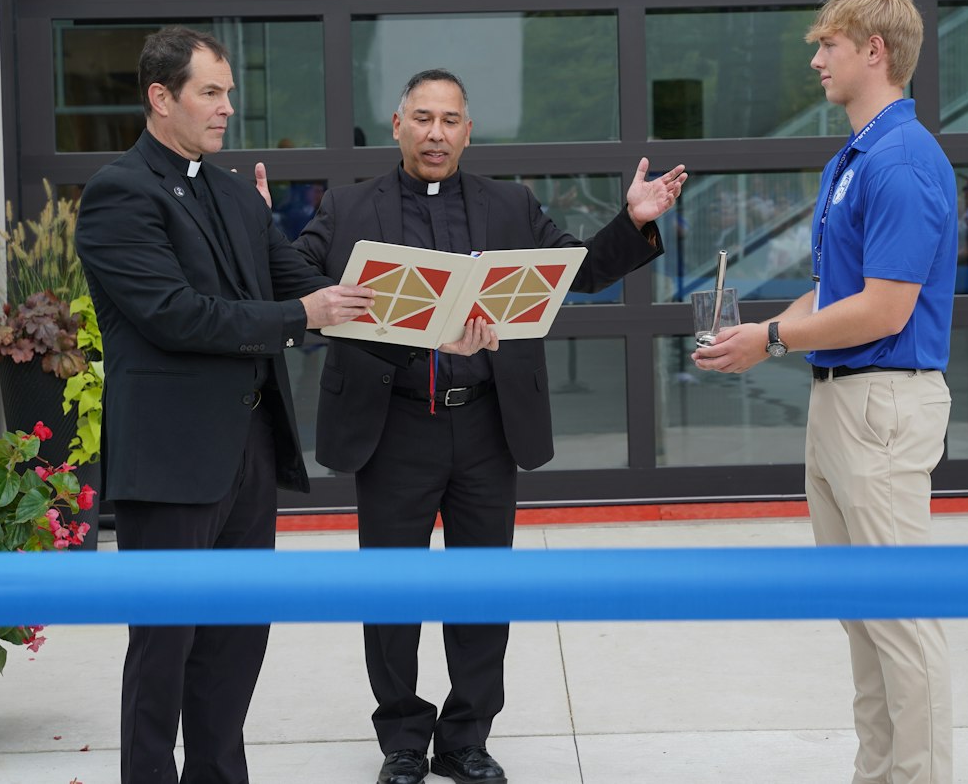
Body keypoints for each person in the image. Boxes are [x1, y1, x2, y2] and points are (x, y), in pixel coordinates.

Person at [284, 69, 685, 784]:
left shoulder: (510, 203)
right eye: (423, 118)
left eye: (451, 120)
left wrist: (634, 221)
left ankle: (466, 736)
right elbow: (300, 276)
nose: (436, 133)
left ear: (469, 130)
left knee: (482, 587)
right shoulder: (346, 206)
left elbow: (577, 271)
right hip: (392, 425)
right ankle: (403, 739)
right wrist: (264, 238)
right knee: (390, 589)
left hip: (486, 426)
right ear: (398, 123)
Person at [75, 26, 375, 784]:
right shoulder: (120, 193)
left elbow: (300, 276)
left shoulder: (237, 192)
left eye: (229, 92)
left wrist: (431, 305)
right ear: (160, 97)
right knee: (164, 649)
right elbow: (179, 314)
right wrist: (305, 314)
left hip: (246, 452)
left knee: (235, 644)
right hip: (171, 462)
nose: (226, 108)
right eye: (211, 91)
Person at [693, 0, 957, 784]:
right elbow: (838, 292)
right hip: (842, 399)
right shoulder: (857, 156)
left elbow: (884, 307)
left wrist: (771, 335)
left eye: (828, 46)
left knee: (901, 621)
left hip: (883, 399)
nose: (816, 60)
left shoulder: (903, 160)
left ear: (874, 50)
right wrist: (762, 341)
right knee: (863, 616)